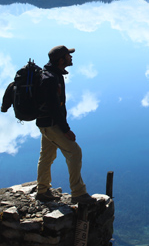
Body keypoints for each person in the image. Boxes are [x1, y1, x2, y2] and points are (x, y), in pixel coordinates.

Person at [35, 45, 95, 205]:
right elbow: (54, 107)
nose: (71, 57)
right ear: (61, 60)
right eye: (69, 55)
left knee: (47, 155)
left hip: (45, 124)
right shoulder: (51, 79)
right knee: (75, 152)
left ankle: (42, 191)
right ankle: (78, 193)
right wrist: (66, 130)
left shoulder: (50, 74)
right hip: (52, 124)